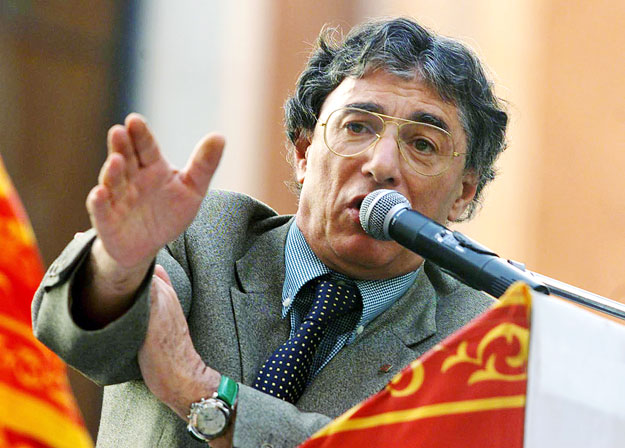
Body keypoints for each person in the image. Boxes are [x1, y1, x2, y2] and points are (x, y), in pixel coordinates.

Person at [32, 17, 507, 447]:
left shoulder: (477, 342)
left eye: (423, 144)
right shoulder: (203, 235)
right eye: (357, 127)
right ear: (304, 152)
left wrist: (197, 388)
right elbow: (83, 342)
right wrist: (120, 266)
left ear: (463, 194)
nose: (381, 165)